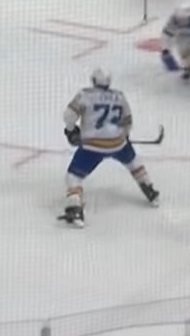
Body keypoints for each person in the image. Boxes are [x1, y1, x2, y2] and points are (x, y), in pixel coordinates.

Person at [59, 69, 159, 228]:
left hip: (92, 146)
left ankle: (75, 207)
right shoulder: (119, 96)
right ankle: (149, 189)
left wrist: (71, 130)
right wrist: (124, 135)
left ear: (93, 80)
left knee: (73, 177)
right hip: (117, 142)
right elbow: (128, 122)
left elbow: (68, 116)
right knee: (133, 162)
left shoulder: (85, 95)